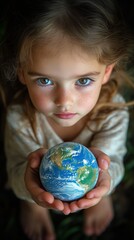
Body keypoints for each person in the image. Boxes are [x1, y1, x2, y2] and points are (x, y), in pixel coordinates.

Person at [0, 0, 134, 239]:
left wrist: (103, 185)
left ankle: (98, 198)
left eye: (82, 81)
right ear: (22, 71)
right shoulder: (20, 118)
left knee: (102, 186)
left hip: (91, 182)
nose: (64, 101)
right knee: (27, 187)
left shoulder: (112, 113)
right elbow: (17, 170)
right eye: (45, 80)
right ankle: (32, 205)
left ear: (106, 72)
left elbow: (113, 161)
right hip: (37, 189)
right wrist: (30, 191)